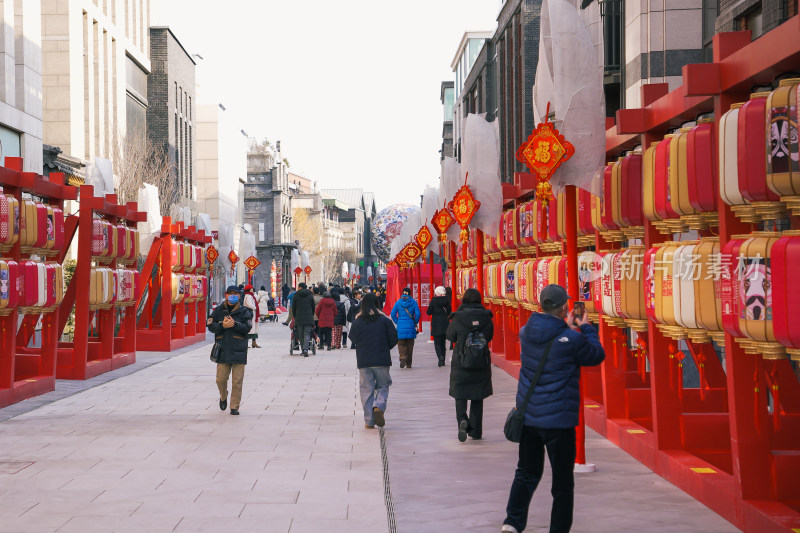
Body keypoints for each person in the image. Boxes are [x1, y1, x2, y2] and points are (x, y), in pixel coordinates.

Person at [501, 284, 605, 533]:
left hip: (530, 417)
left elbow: (555, 340)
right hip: (559, 422)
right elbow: (595, 355)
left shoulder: (526, 332)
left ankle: (512, 522)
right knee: (562, 483)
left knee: (526, 473)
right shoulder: (572, 339)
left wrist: (566, 329)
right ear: (564, 309)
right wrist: (586, 327)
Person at [446, 288, 493, 442]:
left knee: (460, 393)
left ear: (464, 300)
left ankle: (462, 420)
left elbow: (450, 335)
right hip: (481, 361)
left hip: (461, 361)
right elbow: (490, 335)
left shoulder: (458, 317)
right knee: (478, 395)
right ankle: (476, 431)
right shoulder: (486, 317)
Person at [348, 293, 398, 429]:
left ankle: (369, 421)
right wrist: (384, 347)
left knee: (366, 390)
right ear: (377, 304)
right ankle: (379, 406)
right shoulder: (385, 320)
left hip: (364, 361)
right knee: (383, 385)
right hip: (382, 360)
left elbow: (352, 337)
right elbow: (394, 338)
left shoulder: (358, 321)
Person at [207, 286, 253, 415]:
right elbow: (210, 325)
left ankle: (234, 406)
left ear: (239, 296)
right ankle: (223, 396)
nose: (233, 296)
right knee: (220, 379)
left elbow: (247, 327)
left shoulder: (245, 311)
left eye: (235, 294)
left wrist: (235, 325)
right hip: (223, 349)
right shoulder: (218, 310)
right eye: (230, 294)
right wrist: (222, 325)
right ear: (226, 295)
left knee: (237, 381)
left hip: (239, 349)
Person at [390, 287, 421, 368]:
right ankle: (408, 364)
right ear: (410, 293)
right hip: (410, 325)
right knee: (410, 346)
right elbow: (418, 314)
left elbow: (393, 314)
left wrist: (397, 321)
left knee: (401, 343)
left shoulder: (398, 302)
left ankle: (402, 356)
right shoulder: (413, 302)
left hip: (401, 326)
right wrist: (415, 322)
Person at [426, 286, 452, 367]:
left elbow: (428, 312)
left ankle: (439, 357)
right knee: (443, 343)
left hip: (436, 323)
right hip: (445, 323)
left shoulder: (433, 301)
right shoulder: (447, 301)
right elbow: (449, 312)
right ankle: (443, 359)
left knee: (437, 343)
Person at [290, 282, 316, 356]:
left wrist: (295, 316)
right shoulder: (310, 295)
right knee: (307, 333)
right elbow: (313, 307)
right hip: (308, 318)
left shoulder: (296, 295)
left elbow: (293, 308)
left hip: (299, 317)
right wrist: (311, 315)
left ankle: (303, 350)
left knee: (301, 334)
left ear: (300, 287)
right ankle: (305, 349)